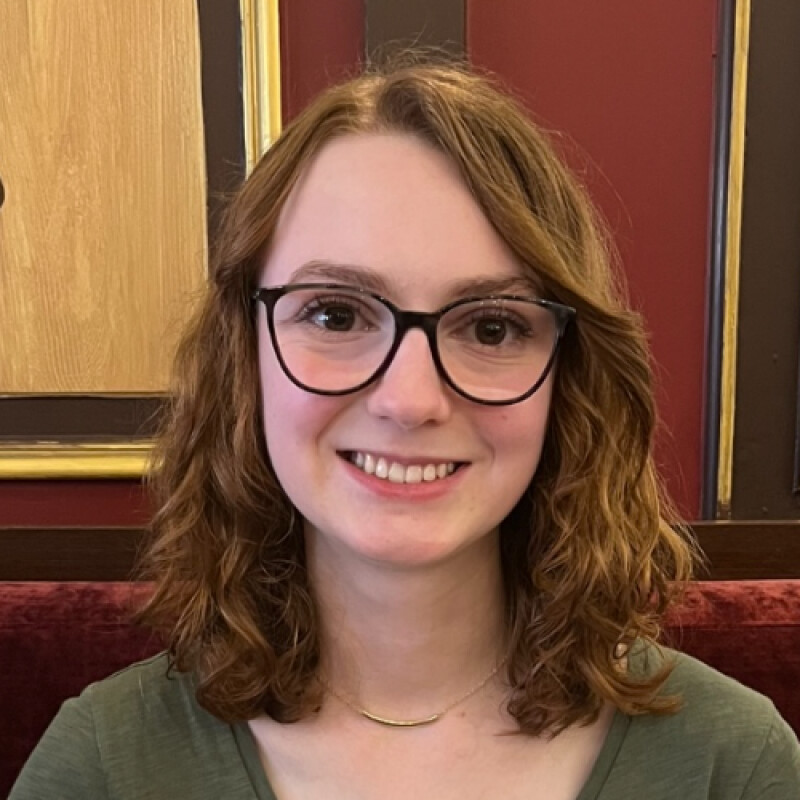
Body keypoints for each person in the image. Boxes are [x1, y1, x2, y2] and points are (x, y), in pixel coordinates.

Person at [11, 58, 800, 800]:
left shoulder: (734, 763)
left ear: (570, 375)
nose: (410, 399)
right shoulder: (104, 764)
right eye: (336, 314)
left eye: (491, 327)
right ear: (242, 357)